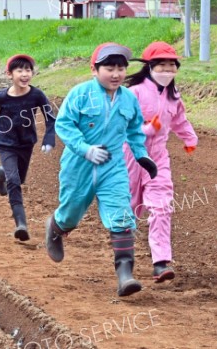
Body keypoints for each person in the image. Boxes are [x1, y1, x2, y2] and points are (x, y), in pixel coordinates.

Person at [45, 42, 158, 297]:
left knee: (121, 216)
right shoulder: (80, 93)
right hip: (78, 164)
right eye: (109, 68)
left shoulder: (129, 98)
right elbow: (64, 124)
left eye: (120, 68)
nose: (116, 74)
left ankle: (125, 275)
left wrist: (142, 156)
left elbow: (134, 130)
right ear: (94, 70)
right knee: (71, 212)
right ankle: (56, 227)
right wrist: (85, 149)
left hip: (113, 166)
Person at [123, 41, 198, 283]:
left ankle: (161, 262)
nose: (167, 70)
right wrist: (146, 129)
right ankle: (124, 261)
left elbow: (180, 121)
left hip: (159, 159)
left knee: (162, 206)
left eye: (171, 66)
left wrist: (190, 138)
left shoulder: (173, 96)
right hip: (132, 156)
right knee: (130, 207)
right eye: (161, 65)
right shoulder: (133, 93)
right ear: (149, 67)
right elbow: (122, 125)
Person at [0, 54, 56, 241]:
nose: (25, 74)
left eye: (28, 70)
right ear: (9, 74)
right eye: (20, 70)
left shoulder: (37, 95)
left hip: (26, 143)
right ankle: (21, 223)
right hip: (4, 143)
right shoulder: (1, 96)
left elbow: (50, 117)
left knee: (19, 179)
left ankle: (0, 173)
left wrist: (49, 138)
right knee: (14, 181)